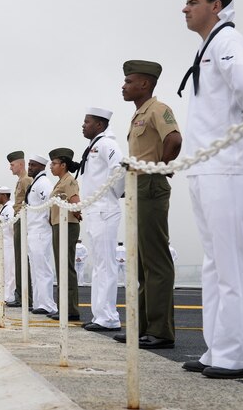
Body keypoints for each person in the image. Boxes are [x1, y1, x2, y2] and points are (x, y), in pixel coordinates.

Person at [179, 0, 243, 379]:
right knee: (215, 264)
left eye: (193, 2)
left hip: (227, 165)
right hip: (206, 166)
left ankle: (239, 356)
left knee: (230, 263)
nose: (185, 9)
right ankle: (219, 349)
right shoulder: (209, 43)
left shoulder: (229, 40)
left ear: (216, 5)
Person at [116, 59, 182, 350]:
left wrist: (160, 166)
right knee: (141, 261)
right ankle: (142, 327)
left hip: (150, 185)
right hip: (137, 186)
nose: (124, 86)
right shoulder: (138, 115)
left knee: (155, 260)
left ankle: (160, 331)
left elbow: (175, 139)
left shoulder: (158, 109)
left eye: (130, 81)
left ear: (145, 84)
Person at [79, 107, 125, 332]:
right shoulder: (93, 145)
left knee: (106, 265)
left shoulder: (107, 143)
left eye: (87, 122)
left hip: (105, 209)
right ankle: (100, 315)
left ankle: (109, 317)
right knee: (98, 265)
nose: (83, 125)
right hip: (94, 210)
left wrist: (114, 194)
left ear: (99, 124)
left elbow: (119, 168)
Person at [48, 147, 82, 321]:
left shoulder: (68, 181)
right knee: (61, 267)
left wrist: (76, 214)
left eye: (54, 164)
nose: (51, 167)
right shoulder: (61, 181)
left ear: (63, 164)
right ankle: (64, 307)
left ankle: (70, 309)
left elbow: (76, 203)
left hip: (66, 225)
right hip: (59, 225)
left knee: (66, 267)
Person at [25, 154, 57, 315]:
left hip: (41, 230)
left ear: (41, 167)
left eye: (33, 165)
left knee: (43, 268)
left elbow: (49, 204)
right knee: (35, 268)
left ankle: (47, 304)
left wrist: (47, 222)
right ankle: (39, 301)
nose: (29, 167)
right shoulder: (35, 183)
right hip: (33, 230)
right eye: (29, 164)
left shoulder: (43, 183)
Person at [7, 151, 33, 307]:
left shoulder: (27, 180)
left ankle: (25, 296)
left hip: (24, 220)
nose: (10, 168)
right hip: (18, 220)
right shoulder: (20, 181)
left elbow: (31, 202)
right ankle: (21, 295)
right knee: (18, 258)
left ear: (21, 164)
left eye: (12, 165)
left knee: (22, 258)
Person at [0, 186, 16, 303]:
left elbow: (12, 227)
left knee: (10, 271)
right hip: (4, 244)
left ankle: (10, 295)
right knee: (5, 270)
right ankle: (5, 294)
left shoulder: (9, 209)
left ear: (4, 196)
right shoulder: (4, 208)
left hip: (9, 243)